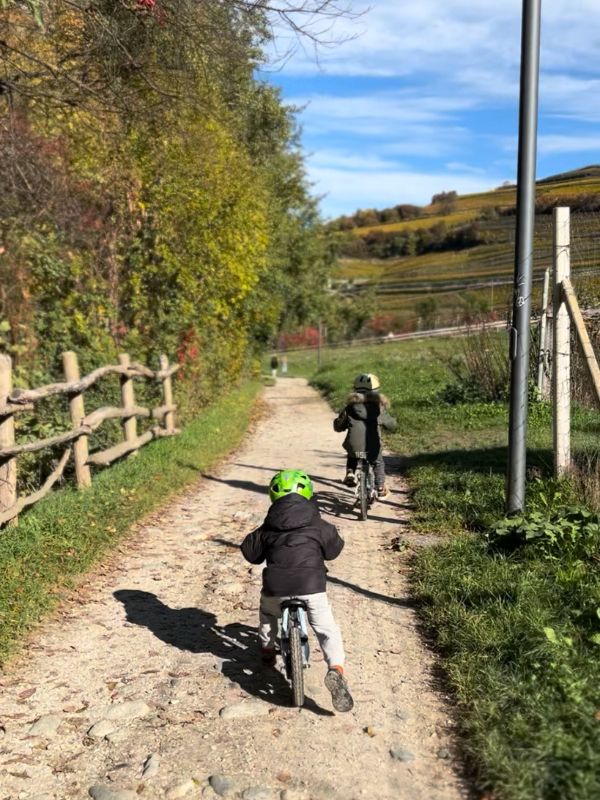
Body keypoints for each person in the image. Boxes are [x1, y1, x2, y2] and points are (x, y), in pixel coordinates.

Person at [240, 469, 354, 713]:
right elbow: (334, 550)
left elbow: (250, 553)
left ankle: (268, 651)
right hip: (311, 586)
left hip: (276, 587)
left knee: (268, 615)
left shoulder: (268, 526)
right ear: (309, 493)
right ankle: (336, 668)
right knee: (327, 629)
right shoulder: (317, 523)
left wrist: (264, 536)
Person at [333, 372, 397, 498]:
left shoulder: (350, 408)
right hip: (372, 448)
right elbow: (391, 425)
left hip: (354, 447)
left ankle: (350, 473)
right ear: (376, 390)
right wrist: (392, 426)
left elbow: (339, 425)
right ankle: (380, 487)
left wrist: (338, 425)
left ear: (355, 390)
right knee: (378, 462)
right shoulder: (379, 408)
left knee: (353, 454)